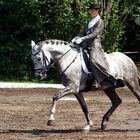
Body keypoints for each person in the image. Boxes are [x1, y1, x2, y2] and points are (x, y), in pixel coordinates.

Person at [72, 3, 116, 89]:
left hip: (94, 46)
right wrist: (77, 37)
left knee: (93, 61)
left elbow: (94, 34)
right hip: (85, 46)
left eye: (92, 10)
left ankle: (99, 80)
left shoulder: (100, 22)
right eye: (90, 10)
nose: (90, 11)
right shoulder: (88, 22)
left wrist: (82, 39)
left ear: (97, 11)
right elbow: (83, 32)